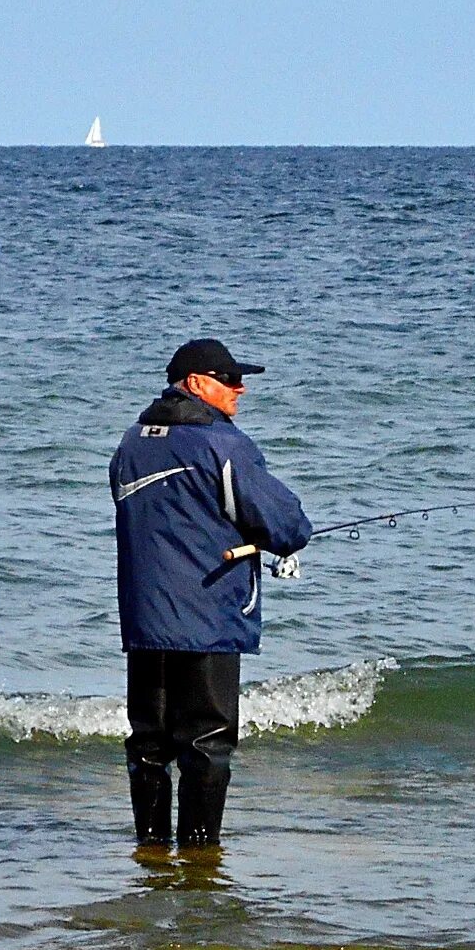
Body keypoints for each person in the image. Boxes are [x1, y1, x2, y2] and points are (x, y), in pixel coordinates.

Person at [109, 338, 313, 850]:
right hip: (207, 617)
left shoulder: (131, 443)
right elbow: (285, 524)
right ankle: (200, 857)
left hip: (144, 620)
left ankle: (151, 851)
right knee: (206, 745)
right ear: (196, 384)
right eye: (229, 379)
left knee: (149, 743)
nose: (240, 388)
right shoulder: (224, 444)